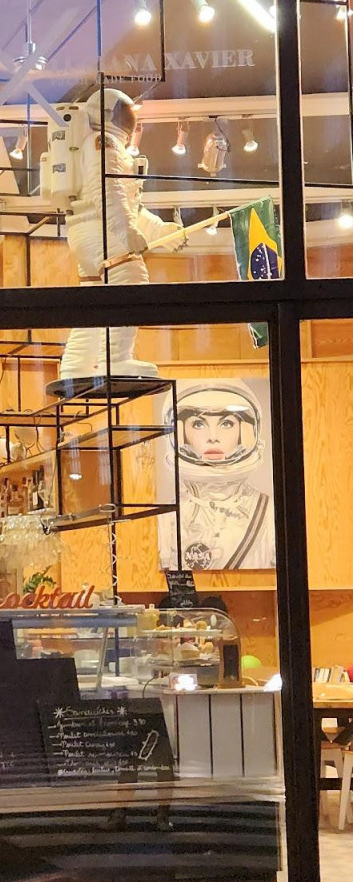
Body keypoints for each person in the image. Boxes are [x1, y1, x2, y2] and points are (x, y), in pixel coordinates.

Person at [54, 88, 179, 381]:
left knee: (95, 299)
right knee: (131, 279)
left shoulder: (94, 144)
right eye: (125, 114)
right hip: (100, 230)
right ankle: (116, 359)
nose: (129, 121)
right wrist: (127, 232)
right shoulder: (104, 144)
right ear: (109, 114)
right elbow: (108, 192)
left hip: (87, 232)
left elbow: (129, 204)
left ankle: (76, 365)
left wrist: (160, 230)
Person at [159, 379, 276, 571]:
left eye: (226, 423)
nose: (212, 437)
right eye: (198, 424)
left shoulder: (270, 513)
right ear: (180, 433)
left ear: (245, 431)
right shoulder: (167, 518)